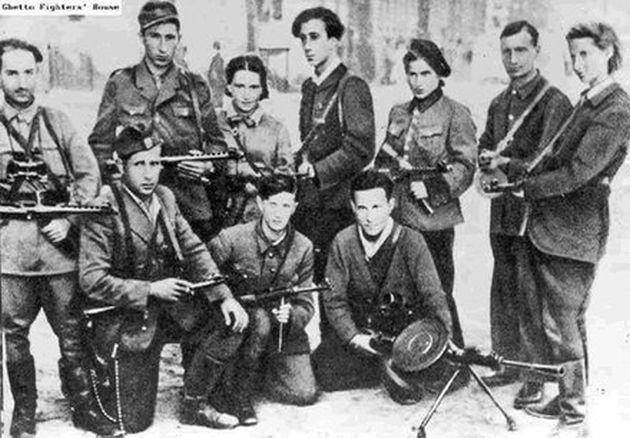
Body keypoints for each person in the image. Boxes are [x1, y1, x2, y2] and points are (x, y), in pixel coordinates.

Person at [79, 126, 250, 433]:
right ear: (120, 168)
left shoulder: (165, 197)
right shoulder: (104, 206)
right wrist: (150, 290)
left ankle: (194, 402)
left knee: (229, 321)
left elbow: (194, 248)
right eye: (139, 164)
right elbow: (91, 279)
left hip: (169, 307)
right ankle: (101, 378)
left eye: (155, 164)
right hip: (127, 317)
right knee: (134, 423)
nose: (149, 174)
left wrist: (224, 296)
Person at [512, 22, 630, 433]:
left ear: (609, 52)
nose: (577, 64)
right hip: (555, 229)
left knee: (563, 324)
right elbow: (556, 158)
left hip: (574, 233)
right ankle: (567, 401)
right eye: (573, 56)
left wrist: (526, 188)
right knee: (561, 322)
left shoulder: (615, 108)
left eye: (586, 55)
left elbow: (578, 172)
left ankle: (575, 414)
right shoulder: (590, 102)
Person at [0, 38, 102, 437]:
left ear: (39, 74)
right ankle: (24, 413)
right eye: (12, 72)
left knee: (73, 330)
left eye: (28, 71)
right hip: (10, 252)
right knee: (14, 337)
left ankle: (82, 406)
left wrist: (70, 218)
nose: (22, 81)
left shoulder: (58, 122)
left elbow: (89, 175)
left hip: (59, 251)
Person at [477, 21, 572, 406]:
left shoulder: (554, 102)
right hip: (503, 211)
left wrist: (505, 162)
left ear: (536, 51)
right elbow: (484, 144)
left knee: (531, 295)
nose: (513, 59)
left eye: (520, 51)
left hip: (534, 215)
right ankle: (509, 362)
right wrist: (484, 165)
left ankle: (535, 376)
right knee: (503, 289)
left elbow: (547, 163)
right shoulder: (500, 102)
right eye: (506, 52)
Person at [88, 0, 226, 242]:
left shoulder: (195, 85)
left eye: (170, 38)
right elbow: (99, 145)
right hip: (135, 203)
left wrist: (207, 166)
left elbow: (217, 144)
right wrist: (115, 184)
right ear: (142, 37)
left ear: (178, 38)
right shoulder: (121, 83)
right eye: (155, 36)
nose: (163, 47)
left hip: (188, 202)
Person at [312, 170, 454, 403]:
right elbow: (333, 300)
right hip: (363, 332)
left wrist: (443, 335)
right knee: (324, 372)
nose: (369, 217)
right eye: (362, 208)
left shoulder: (412, 240)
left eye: (376, 207)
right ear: (352, 207)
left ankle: (391, 367)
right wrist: (355, 338)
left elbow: (433, 294)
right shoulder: (342, 241)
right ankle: (388, 369)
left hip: (403, 330)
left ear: (391, 205)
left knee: (444, 374)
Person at [375, 38, 477, 349]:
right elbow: (385, 158)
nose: (418, 82)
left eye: (425, 74)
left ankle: (451, 358)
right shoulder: (399, 113)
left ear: (439, 75)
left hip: (434, 219)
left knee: (437, 290)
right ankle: (412, 356)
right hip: (401, 216)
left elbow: (466, 165)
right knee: (401, 290)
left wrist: (433, 188)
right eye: (412, 74)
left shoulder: (455, 114)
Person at [208, 174, 318, 426]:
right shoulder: (232, 237)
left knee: (303, 393)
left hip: (282, 331)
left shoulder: (303, 247)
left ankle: (259, 373)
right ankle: (240, 393)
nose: (279, 213)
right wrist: (226, 300)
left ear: (295, 208)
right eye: (273, 204)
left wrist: (291, 316)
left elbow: (306, 303)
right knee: (257, 320)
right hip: (238, 326)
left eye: (286, 205)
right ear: (260, 203)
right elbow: (204, 273)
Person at [290, 6, 375, 286]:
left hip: (339, 210)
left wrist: (317, 171)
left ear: (334, 40)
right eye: (303, 39)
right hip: (309, 207)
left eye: (314, 37)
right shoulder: (309, 87)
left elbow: (360, 148)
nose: (307, 46)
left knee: (336, 293)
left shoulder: (351, 86)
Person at [216, 54, 294, 227]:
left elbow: (286, 179)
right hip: (221, 214)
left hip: (261, 217)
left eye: (253, 87)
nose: (246, 94)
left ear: (262, 89)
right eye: (239, 86)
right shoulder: (214, 124)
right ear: (229, 87)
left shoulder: (276, 129)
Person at [207, 41, 227, 108]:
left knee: (217, 99)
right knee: (217, 98)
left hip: (218, 83)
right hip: (217, 83)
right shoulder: (216, 59)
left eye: (214, 48)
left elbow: (216, 72)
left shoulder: (218, 60)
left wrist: (213, 79)